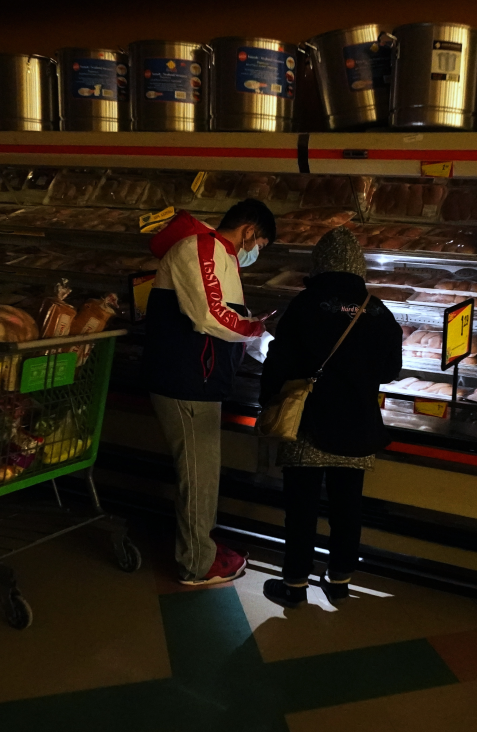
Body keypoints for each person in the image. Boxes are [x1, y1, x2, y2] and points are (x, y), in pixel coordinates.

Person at [258, 228, 402, 608]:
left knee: (301, 508)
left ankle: (294, 585)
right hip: (358, 425)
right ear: (359, 265)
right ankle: (339, 580)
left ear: (319, 263)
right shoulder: (378, 309)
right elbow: (391, 370)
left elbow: (279, 360)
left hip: (309, 422)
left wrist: (268, 401)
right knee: (347, 508)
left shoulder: (306, 304)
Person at [143, 199, 276, 585]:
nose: (256, 253)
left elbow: (232, 316)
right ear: (250, 230)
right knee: (198, 475)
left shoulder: (221, 256)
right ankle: (196, 564)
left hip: (201, 380)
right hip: (185, 381)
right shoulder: (200, 247)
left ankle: (202, 545)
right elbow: (209, 316)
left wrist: (268, 348)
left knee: (204, 473)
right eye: (261, 244)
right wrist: (254, 331)